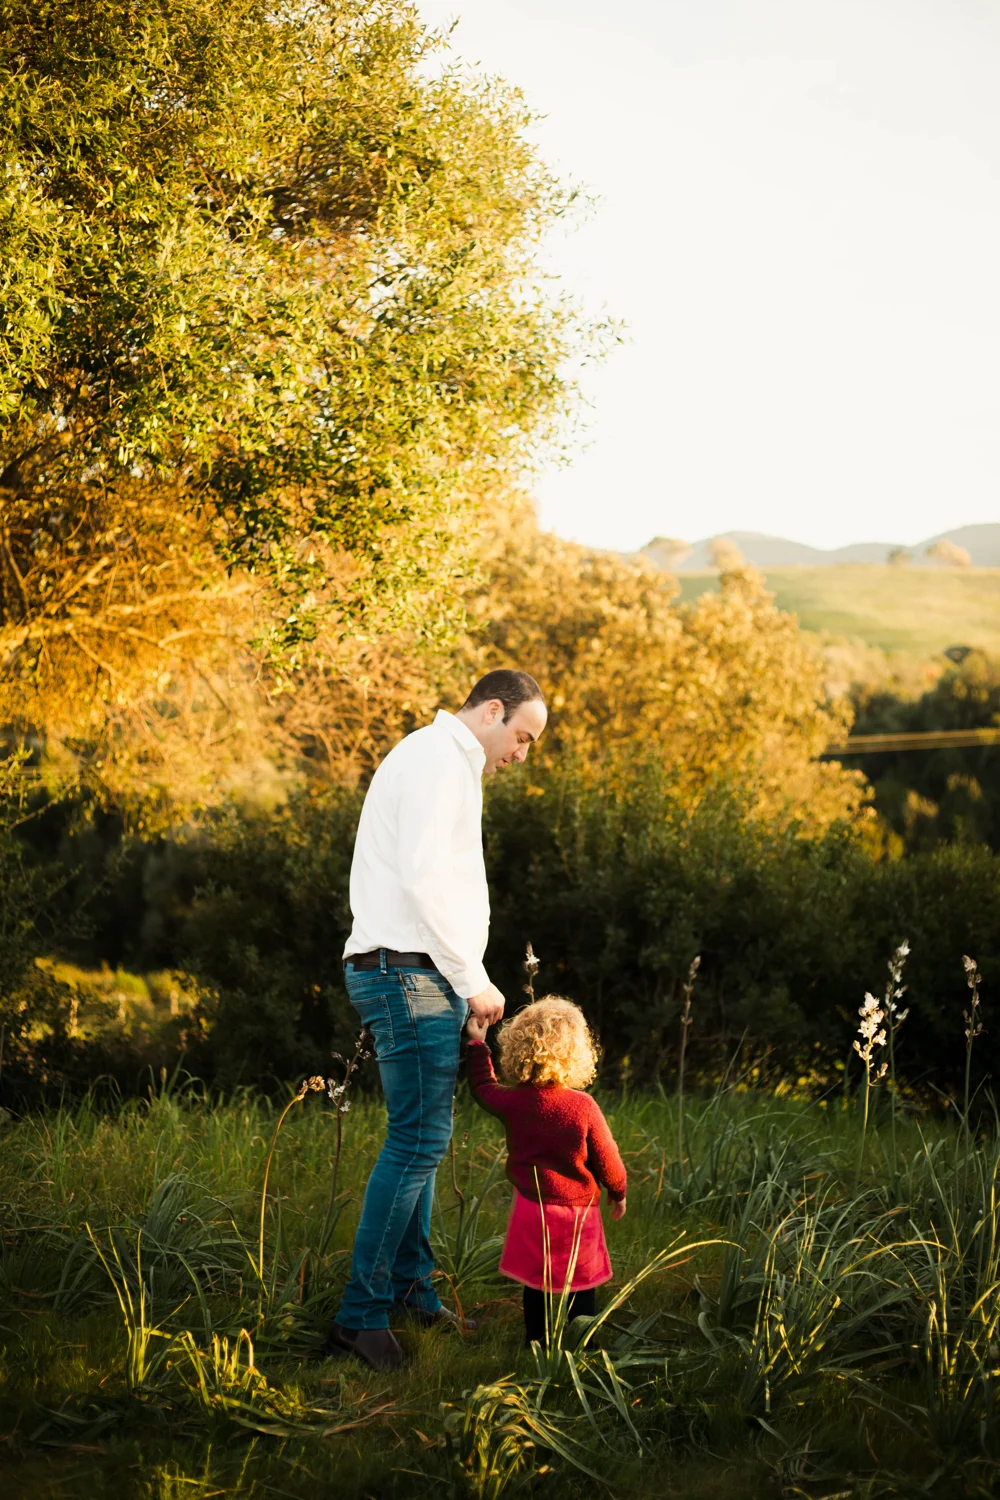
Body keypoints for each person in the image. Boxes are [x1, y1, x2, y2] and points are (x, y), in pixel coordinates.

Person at [328, 669, 548, 1370]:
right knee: (418, 1142)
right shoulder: (434, 760)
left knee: (419, 1138)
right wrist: (472, 979)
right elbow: (423, 877)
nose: (522, 753)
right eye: (522, 736)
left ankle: (412, 1290)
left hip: (416, 974)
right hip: (409, 973)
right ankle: (360, 1317)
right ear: (491, 711)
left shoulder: (447, 763)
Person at [465, 997, 627, 1347]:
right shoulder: (583, 1105)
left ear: (517, 1049)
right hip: (578, 1213)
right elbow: (606, 1156)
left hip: (531, 1208)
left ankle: (535, 1341)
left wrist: (477, 1046)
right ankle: (583, 1342)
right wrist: (619, 1190)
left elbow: (483, 1089)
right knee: (580, 1282)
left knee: (536, 1282)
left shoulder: (514, 1101)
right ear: (576, 1053)